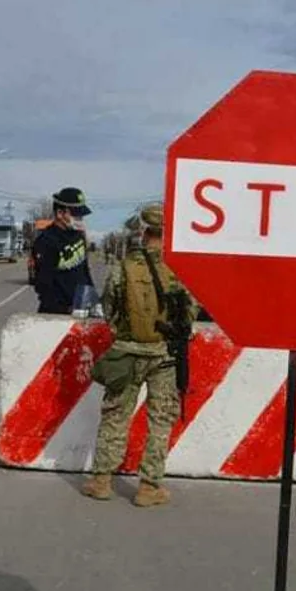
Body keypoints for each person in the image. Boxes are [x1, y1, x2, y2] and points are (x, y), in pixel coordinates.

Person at [81, 202, 197, 507]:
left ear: (143, 232)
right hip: (165, 355)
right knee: (160, 420)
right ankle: (148, 487)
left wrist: (124, 334)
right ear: (167, 233)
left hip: (127, 353)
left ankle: (101, 481)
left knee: (116, 416)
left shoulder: (123, 267)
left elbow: (109, 307)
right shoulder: (180, 267)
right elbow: (190, 311)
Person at [32, 187, 95, 314]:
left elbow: (84, 271)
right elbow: (43, 286)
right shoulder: (46, 241)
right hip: (57, 313)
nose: (80, 219)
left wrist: (92, 299)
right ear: (60, 213)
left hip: (82, 307)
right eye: (75, 215)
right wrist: (64, 310)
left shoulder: (78, 235)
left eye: (81, 215)